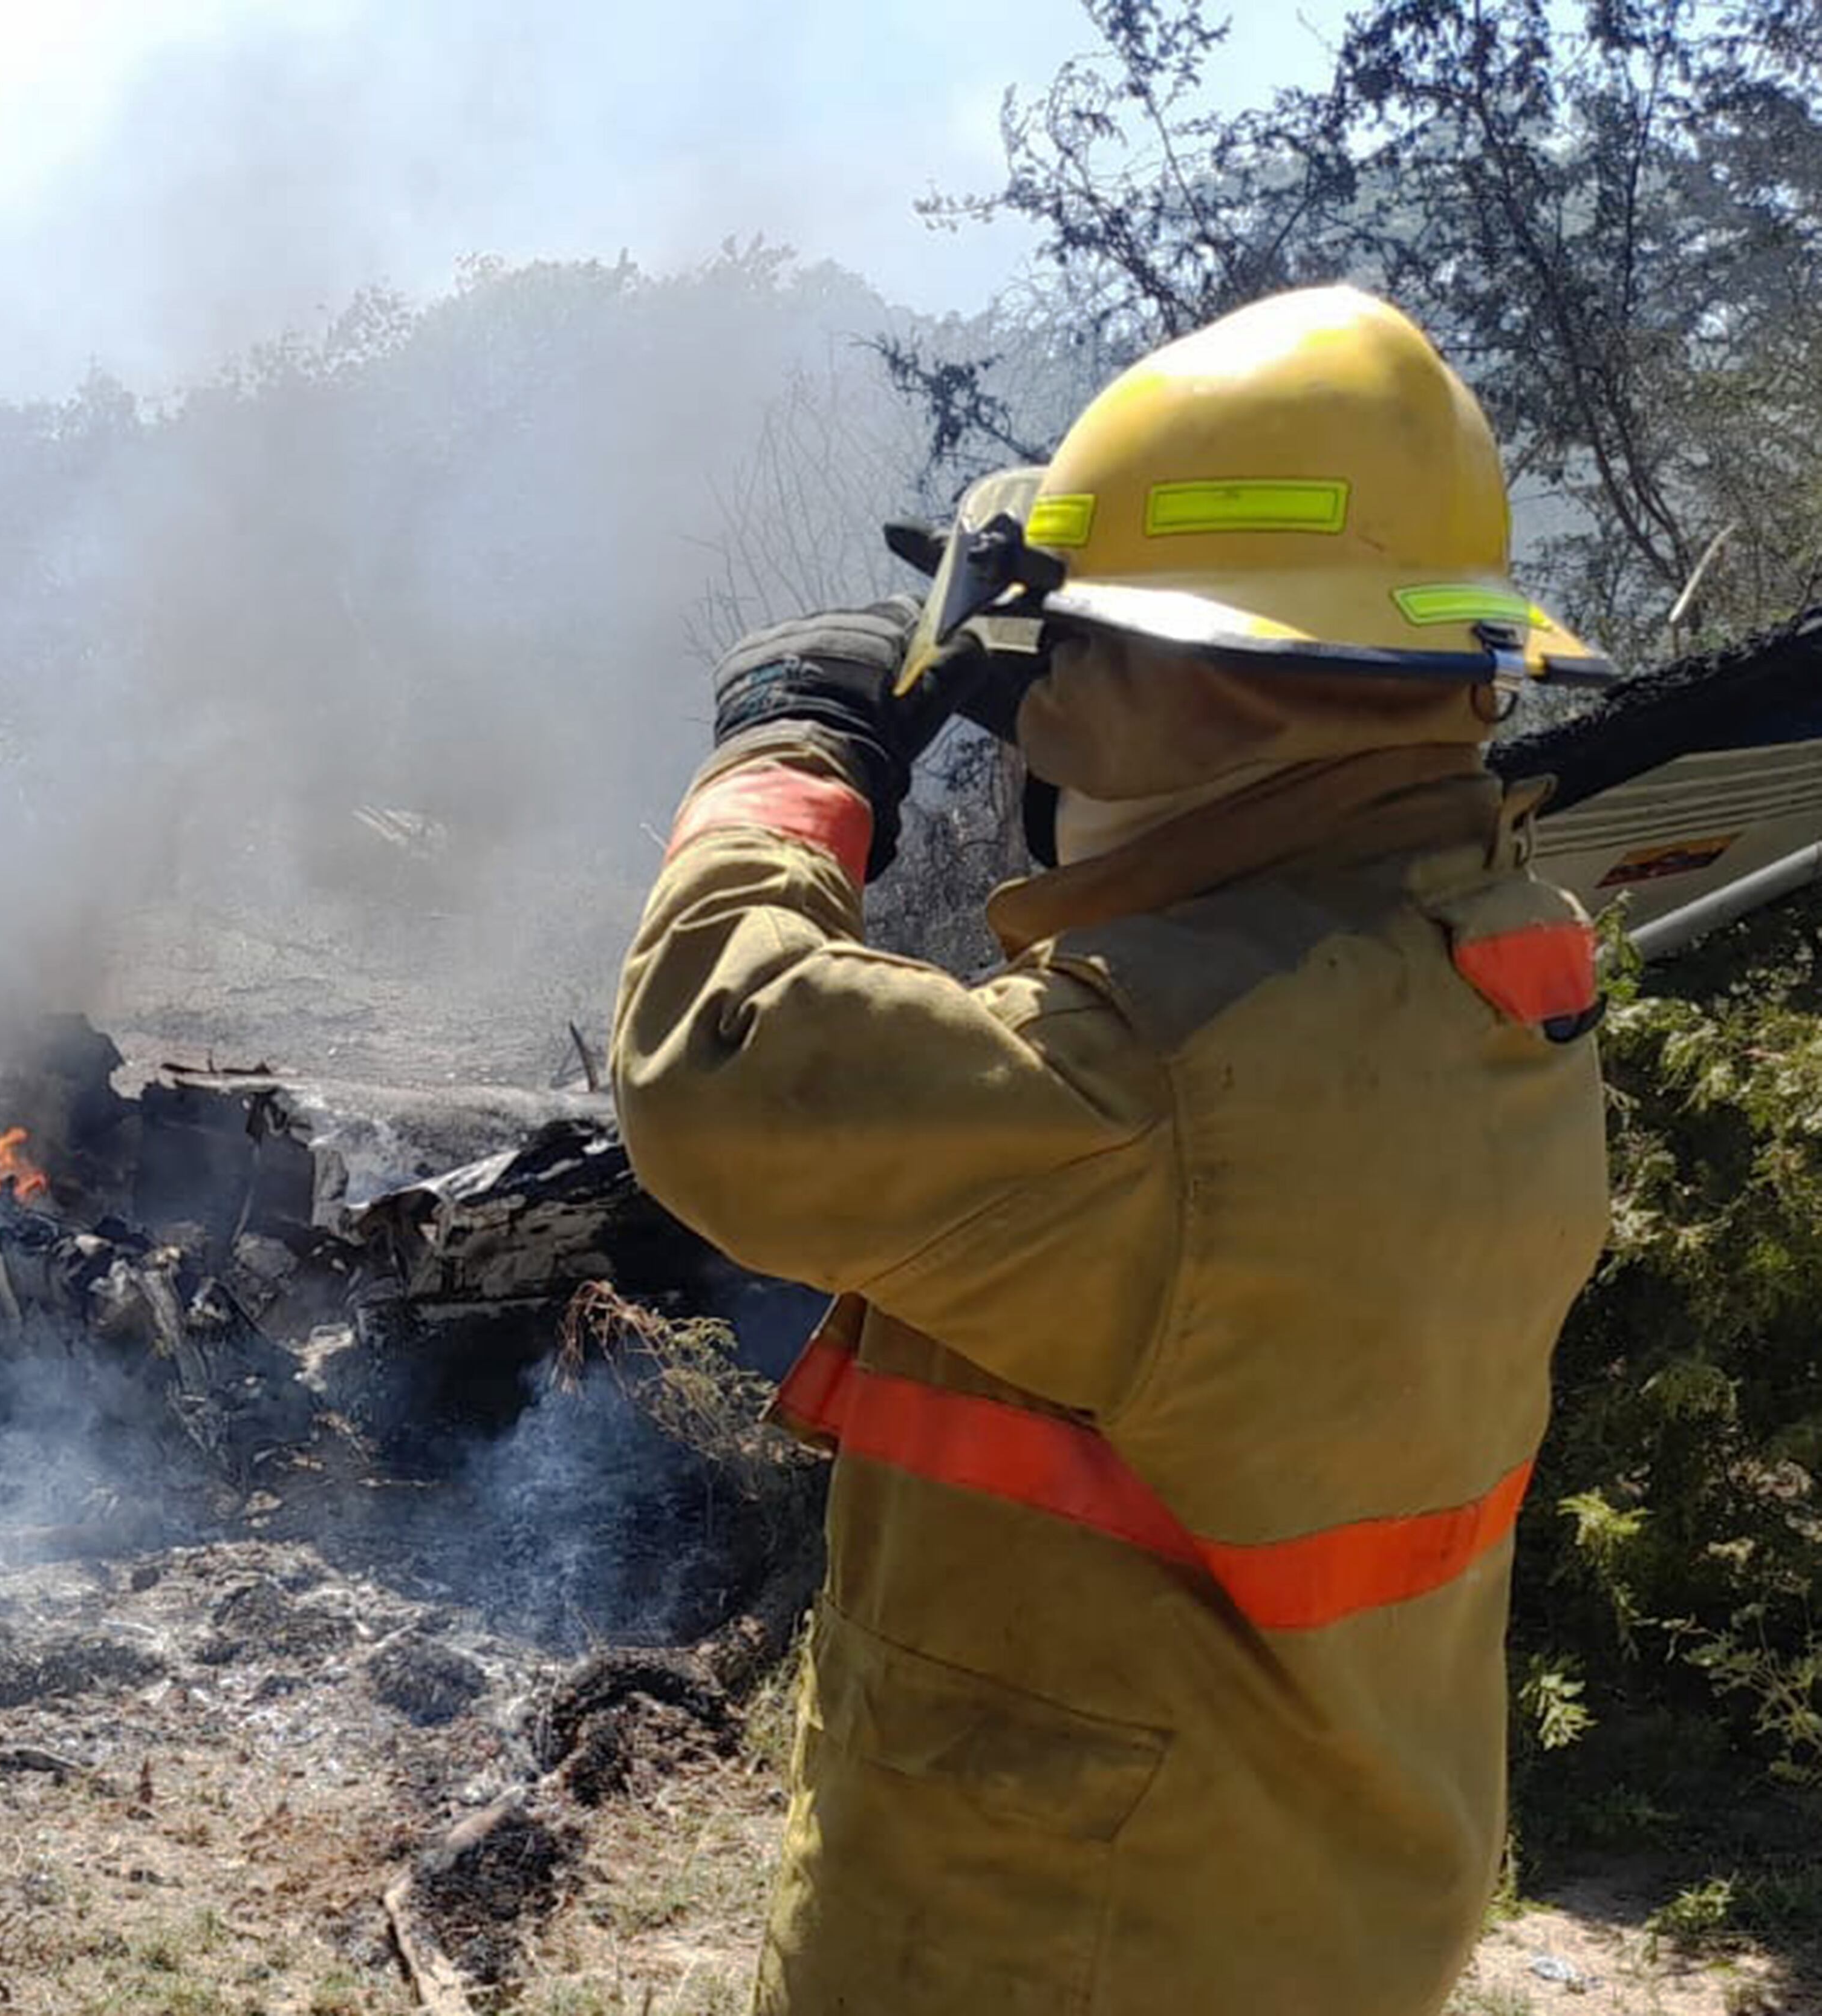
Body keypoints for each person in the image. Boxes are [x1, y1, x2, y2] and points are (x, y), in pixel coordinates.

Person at [610, 285, 1615, 2016]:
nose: (1033, 705)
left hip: (1054, 1940)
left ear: (1210, 686)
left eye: (1064, 650)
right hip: (1321, 1892)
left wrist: (791, 765)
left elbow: (724, 1062)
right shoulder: (1495, 965)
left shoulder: (1147, 1086)